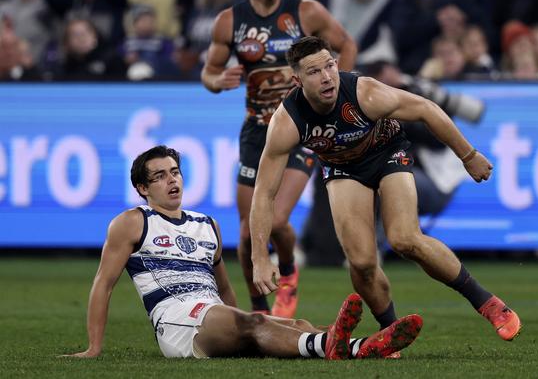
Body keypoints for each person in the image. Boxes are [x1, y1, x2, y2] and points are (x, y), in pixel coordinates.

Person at [249, 36, 521, 341]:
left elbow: (426, 108)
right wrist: (260, 257)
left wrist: (468, 155)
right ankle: (389, 332)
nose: (326, 77)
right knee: (363, 263)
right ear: (297, 81)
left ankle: (489, 303)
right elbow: (264, 192)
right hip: (343, 168)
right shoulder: (286, 122)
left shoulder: (365, 92)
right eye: (314, 72)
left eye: (330, 66)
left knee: (405, 239)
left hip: (387, 153)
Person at [62, 145, 422, 359]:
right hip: (177, 322)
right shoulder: (131, 222)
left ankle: (363, 348)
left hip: (212, 311)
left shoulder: (207, 224)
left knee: (294, 324)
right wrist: (94, 347)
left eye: (175, 172)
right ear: (142, 187)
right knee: (255, 323)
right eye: (159, 176)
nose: (172, 180)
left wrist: (237, 311)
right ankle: (339, 344)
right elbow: (103, 284)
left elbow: (224, 289)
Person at [201, 0, 357, 318]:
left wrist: (340, 90)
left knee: (278, 220)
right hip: (257, 131)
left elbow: (345, 44)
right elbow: (209, 71)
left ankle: (287, 270)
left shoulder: (306, 13)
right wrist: (217, 81)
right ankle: (258, 310)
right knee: (244, 232)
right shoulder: (230, 22)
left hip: (302, 128)